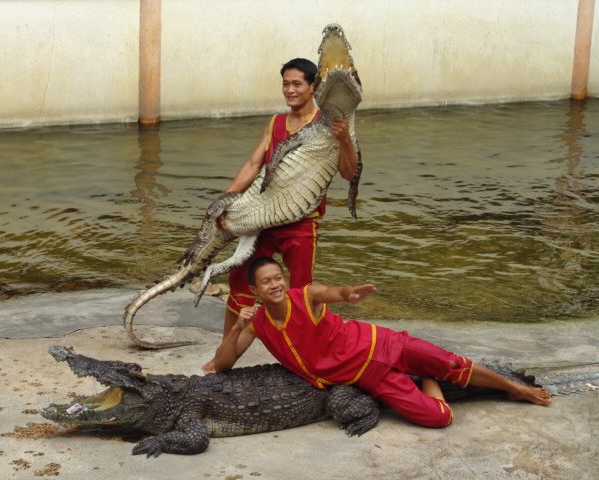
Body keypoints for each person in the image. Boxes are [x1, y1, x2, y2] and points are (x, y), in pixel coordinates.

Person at [208, 257, 553, 429]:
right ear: (254, 290)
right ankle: (426, 379)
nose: (275, 285)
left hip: (382, 345)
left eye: (278, 277)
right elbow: (222, 365)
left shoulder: (306, 296)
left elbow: (335, 293)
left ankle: (513, 388)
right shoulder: (258, 325)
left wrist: (350, 294)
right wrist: (237, 328)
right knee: (438, 418)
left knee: (454, 364)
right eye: (266, 282)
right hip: (368, 379)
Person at [202, 58, 359, 372]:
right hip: (263, 219)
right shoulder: (275, 123)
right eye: (286, 83)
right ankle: (224, 355)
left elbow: (348, 173)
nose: (290, 90)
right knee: (239, 281)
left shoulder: (330, 123)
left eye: (297, 83)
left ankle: (304, 357)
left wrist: (344, 139)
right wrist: (226, 201)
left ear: (313, 87)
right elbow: (252, 165)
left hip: (302, 222)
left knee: (300, 292)